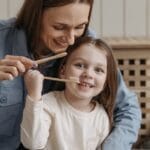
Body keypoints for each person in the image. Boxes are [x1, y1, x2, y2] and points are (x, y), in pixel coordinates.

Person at [0, 0, 141, 150]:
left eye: (80, 26)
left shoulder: (85, 45)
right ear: (35, 16)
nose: (71, 39)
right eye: (59, 27)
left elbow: (127, 109)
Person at [21, 36, 118, 150]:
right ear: (63, 71)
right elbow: (32, 143)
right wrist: (34, 95)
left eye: (98, 70)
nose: (88, 74)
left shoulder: (101, 117)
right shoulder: (47, 104)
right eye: (79, 65)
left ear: (106, 80)